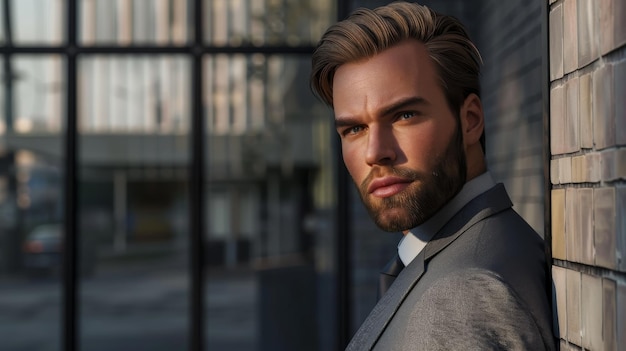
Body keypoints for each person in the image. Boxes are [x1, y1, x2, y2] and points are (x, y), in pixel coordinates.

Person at [310, 2, 555, 350]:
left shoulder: (462, 299)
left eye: (405, 115)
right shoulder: (472, 249)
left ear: (470, 120)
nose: (374, 152)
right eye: (354, 129)